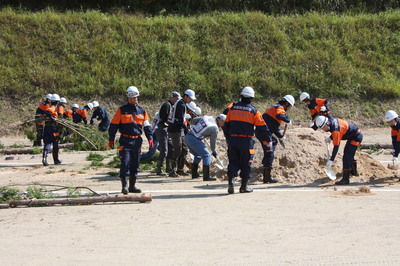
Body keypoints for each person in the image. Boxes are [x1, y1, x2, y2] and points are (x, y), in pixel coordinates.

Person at [225, 86, 272, 194]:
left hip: (233, 140)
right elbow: (262, 127)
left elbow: (226, 125)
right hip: (246, 141)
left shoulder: (232, 109)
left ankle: (231, 182)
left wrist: (228, 138)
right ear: (251, 98)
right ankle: (243, 187)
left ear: (241, 96)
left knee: (233, 162)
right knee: (246, 163)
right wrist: (268, 139)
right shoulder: (254, 111)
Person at [108, 86, 154, 194]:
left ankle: (132, 186)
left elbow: (147, 126)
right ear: (127, 98)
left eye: (134, 98)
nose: (132, 100)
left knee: (135, 164)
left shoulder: (142, 111)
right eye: (130, 98)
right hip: (125, 140)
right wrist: (111, 139)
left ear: (138, 97)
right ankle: (124, 186)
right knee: (125, 162)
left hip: (137, 141)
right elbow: (113, 125)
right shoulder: (121, 110)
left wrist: (150, 138)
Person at [316, 115, 363, 185]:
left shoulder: (336, 130)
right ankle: (354, 172)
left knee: (347, 157)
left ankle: (345, 179)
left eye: (323, 127)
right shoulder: (332, 122)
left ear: (327, 123)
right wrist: (330, 138)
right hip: (352, 135)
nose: (323, 129)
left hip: (356, 137)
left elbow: (336, 147)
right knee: (349, 154)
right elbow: (336, 131)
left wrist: (331, 160)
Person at [262, 95, 295, 183]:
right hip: (264, 132)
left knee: (274, 142)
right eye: (290, 106)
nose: (289, 108)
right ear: (286, 103)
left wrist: (281, 136)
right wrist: (288, 120)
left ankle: (266, 171)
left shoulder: (274, 109)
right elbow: (280, 115)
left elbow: (274, 128)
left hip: (263, 131)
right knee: (270, 152)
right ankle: (267, 177)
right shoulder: (279, 108)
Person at [184, 112, 226, 181]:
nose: (223, 125)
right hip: (194, 139)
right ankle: (206, 176)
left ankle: (194, 174)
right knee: (207, 155)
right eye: (224, 122)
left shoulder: (207, 117)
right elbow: (213, 143)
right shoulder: (215, 129)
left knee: (198, 155)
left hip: (187, 137)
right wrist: (214, 151)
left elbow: (193, 121)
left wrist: (198, 128)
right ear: (219, 119)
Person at [167, 89, 196, 177]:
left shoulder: (182, 104)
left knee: (184, 149)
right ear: (186, 96)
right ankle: (171, 170)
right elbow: (180, 120)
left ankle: (180, 169)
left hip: (179, 129)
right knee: (177, 149)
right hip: (175, 130)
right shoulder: (181, 104)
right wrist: (186, 129)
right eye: (190, 98)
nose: (191, 100)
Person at [154, 92, 181, 175]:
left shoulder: (170, 105)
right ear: (172, 98)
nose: (177, 101)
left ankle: (168, 168)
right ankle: (159, 169)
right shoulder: (167, 105)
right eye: (176, 99)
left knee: (170, 148)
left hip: (165, 128)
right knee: (164, 150)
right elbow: (164, 117)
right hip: (162, 128)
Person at [42, 94, 62, 166]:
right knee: (55, 143)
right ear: (57, 102)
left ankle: (44, 158)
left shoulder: (52, 107)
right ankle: (56, 160)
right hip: (53, 129)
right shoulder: (53, 108)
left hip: (46, 128)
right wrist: (52, 118)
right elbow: (47, 112)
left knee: (47, 143)